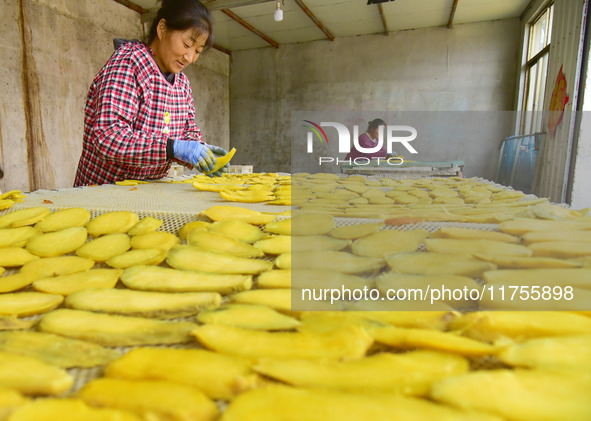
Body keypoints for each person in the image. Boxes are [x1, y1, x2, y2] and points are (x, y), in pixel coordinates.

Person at [74, 0, 227, 186]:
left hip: (146, 193)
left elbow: (188, 130)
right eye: (187, 44)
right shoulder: (130, 63)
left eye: (197, 51)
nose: (190, 58)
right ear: (162, 29)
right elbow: (109, 137)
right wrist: (172, 148)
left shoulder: (182, 84)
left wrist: (200, 150)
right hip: (104, 192)